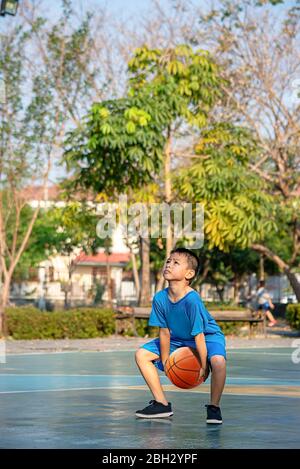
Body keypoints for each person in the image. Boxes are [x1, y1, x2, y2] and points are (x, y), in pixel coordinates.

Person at [135, 247, 226, 424]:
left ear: (189, 273)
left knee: (218, 362)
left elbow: (199, 335)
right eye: (168, 261)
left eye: (176, 262)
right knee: (141, 355)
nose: (169, 264)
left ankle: (214, 408)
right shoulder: (160, 298)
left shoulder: (192, 299)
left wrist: (203, 365)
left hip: (207, 336)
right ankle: (161, 404)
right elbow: (164, 332)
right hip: (178, 338)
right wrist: (167, 360)